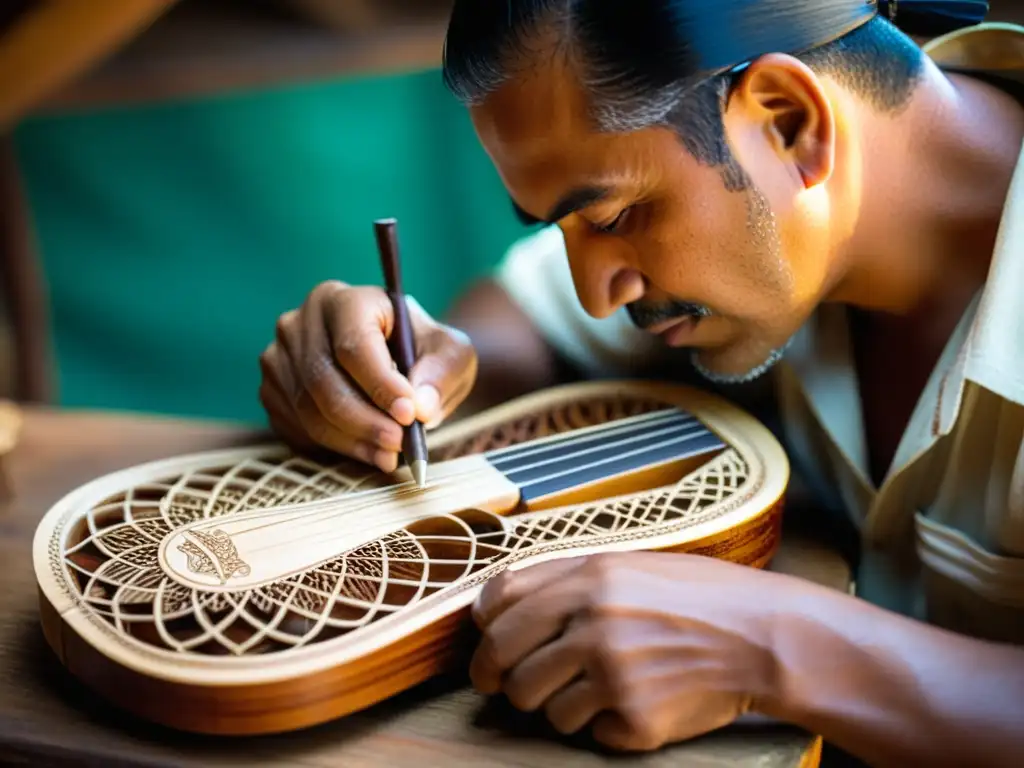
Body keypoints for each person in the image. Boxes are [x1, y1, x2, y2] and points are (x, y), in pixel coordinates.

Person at [258, 2, 1024, 765]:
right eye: (559, 231)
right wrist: (403, 368)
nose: (599, 294)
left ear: (790, 122)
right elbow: (518, 325)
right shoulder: (773, 246)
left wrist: (769, 646)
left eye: (615, 218)